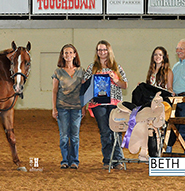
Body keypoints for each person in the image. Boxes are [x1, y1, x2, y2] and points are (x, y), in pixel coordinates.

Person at [83, 40, 128, 170]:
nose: (101, 52)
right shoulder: (92, 68)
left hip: (114, 103)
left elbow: (125, 85)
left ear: (109, 51)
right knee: (105, 132)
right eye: (99, 50)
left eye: (104, 49)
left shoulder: (117, 67)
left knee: (116, 130)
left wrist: (115, 80)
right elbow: (85, 85)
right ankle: (108, 159)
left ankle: (118, 159)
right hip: (98, 104)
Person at [52, 44, 85, 169]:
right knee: (64, 136)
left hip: (77, 107)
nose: (68, 55)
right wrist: (54, 108)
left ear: (75, 54)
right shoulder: (58, 72)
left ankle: (75, 161)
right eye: (66, 53)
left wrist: (83, 107)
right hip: (62, 107)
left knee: (75, 136)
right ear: (62, 55)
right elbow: (55, 91)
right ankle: (65, 160)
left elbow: (83, 91)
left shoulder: (81, 71)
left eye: (70, 52)